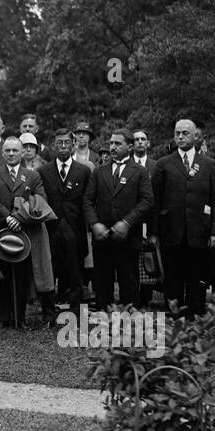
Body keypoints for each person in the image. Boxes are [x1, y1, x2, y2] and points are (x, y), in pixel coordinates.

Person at [150, 118, 215, 318]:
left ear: (195, 136)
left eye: (185, 133)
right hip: (171, 233)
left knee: (197, 279)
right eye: (177, 133)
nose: (180, 137)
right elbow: (155, 201)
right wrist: (154, 232)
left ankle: (196, 317)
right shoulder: (163, 164)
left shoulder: (211, 165)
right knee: (172, 279)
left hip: (199, 233)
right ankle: (175, 319)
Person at [83, 129, 154, 309]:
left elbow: (147, 201)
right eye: (111, 143)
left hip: (128, 239)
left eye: (117, 144)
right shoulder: (99, 171)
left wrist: (127, 223)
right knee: (102, 283)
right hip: (102, 239)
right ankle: (103, 319)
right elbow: (88, 200)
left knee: (129, 283)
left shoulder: (140, 172)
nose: (112, 147)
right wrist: (95, 223)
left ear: (129, 147)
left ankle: (129, 322)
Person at [0, 136, 45, 327]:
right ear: (2, 153)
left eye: (15, 150)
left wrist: (20, 218)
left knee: (22, 275)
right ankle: (2, 317)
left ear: (22, 152)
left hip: (23, 232)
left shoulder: (33, 176)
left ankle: (20, 318)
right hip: (0, 230)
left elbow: (39, 199)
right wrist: (8, 217)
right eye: (7, 151)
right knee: (2, 275)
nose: (11, 154)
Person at [42, 129, 91, 308]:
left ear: (73, 145)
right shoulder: (43, 170)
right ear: (54, 145)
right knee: (51, 268)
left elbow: (87, 200)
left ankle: (76, 308)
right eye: (59, 143)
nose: (63, 146)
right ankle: (49, 311)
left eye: (66, 143)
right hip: (52, 227)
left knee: (75, 270)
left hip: (75, 227)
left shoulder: (83, 171)